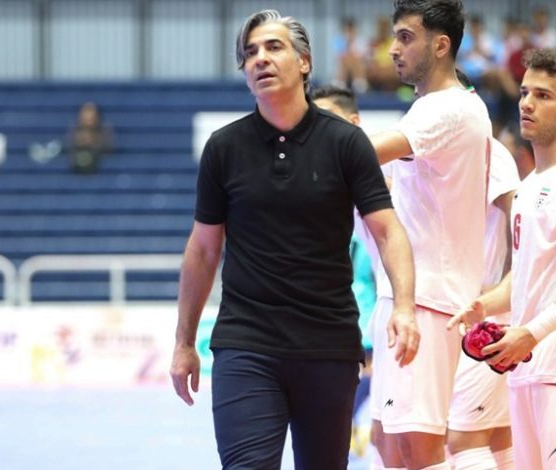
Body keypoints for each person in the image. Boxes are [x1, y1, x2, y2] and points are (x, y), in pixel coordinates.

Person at [168, 10, 418, 470]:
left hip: (328, 346)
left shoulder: (346, 143)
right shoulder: (224, 148)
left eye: (273, 47)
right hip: (246, 343)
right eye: (250, 53)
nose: (260, 59)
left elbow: (388, 230)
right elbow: (203, 250)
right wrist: (184, 342)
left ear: (304, 62)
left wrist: (405, 305)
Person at [448, 48, 556, 469]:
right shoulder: (527, 187)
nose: (527, 103)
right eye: (525, 92)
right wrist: (484, 304)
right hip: (526, 370)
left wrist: (533, 332)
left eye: (543, 95)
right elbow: (524, 277)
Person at [368, 1, 492, 468]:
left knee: (417, 447)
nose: (393, 49)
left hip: (427, 299)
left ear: (441, 45)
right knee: (387, 440)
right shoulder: (431, 108)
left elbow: (361, 156)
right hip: (410, 294)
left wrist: (297, 134)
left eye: (405, 37)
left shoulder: (447, 108)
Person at [447, 70, 521, 470]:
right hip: (458, 311)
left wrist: (503, 295)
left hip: (487, 316)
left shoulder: (491, 153)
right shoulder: (442, 157)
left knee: (462, 438)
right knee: (496, 434)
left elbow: (518, 219)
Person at [310, 84, 378, 458]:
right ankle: (348, 426)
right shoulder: (315, 185)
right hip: (327, 314)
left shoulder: (379, 183)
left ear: (353, 123)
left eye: (328, 119)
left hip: (367, 309)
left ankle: (352, 425)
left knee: (367, 370)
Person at [66, 101, 114, 174]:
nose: (88, 117)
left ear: (98, 117)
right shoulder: (73, 136)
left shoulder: (105, 137)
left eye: (91, 113)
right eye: (86, 113)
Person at [333, 17, 369, 93]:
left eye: (350, 30)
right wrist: (347, 43)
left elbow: (361, 56)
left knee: (356, 62)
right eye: (346, 31)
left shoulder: (361, 40)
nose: (348, 33)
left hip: (357, 66)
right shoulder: (339, 40)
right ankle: (341, 84)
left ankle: (359, 83)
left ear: (354, 30)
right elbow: (339, 56)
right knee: (344, 62)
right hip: (344, 67)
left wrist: (352, 44)